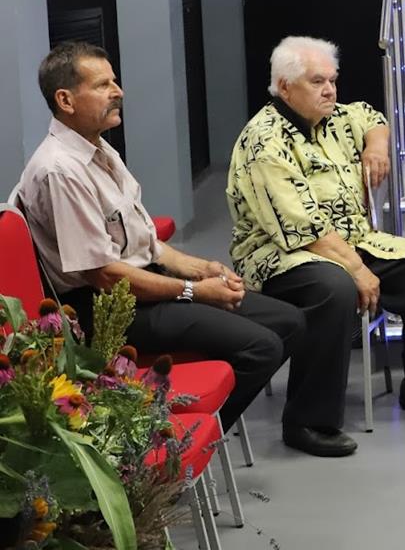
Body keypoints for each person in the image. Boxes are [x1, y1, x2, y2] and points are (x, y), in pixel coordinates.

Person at [16, 42, 304, 446]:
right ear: (65, 100)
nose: (118, 91)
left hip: (141, 285)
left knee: (289, 321)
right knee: (261, 348)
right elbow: (104, 275)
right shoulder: (60, 170)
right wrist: (193, 291)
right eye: (102, 85)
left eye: (114, 81)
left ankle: (192, 436)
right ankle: (172, 451)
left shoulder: (99, 148)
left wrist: (203, 269)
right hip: (105, 308)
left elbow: (146, 242)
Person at [226, 36, 405, 456]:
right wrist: (357, 270)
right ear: (285, 87)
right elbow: (301, 227)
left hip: (350, 240)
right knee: (332, 289)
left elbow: (371, 116)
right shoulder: (264, 140)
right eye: (317, 82)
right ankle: (307, 420)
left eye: (333, 81)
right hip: (279, 255)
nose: (330, 90)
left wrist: (376, 145)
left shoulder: (335, 117)